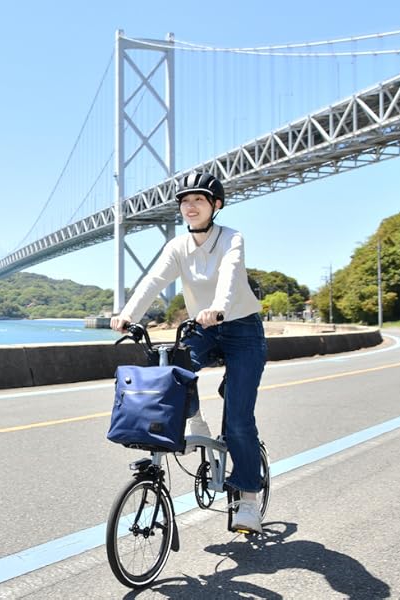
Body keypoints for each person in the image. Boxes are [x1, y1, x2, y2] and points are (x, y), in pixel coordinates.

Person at [110, 171, 267, 534]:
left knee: (239, 419)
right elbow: (153, 281)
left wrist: (219, 308)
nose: (190, 206)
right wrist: (127, 315)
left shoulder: (232, 238)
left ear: (217, 205)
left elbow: (229, 274)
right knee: (169, 377)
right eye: (185, 201)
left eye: (199, 200)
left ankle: (248, 498)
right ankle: (196, 423)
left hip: (241, 329)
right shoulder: (178, 246)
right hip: (201, 328)